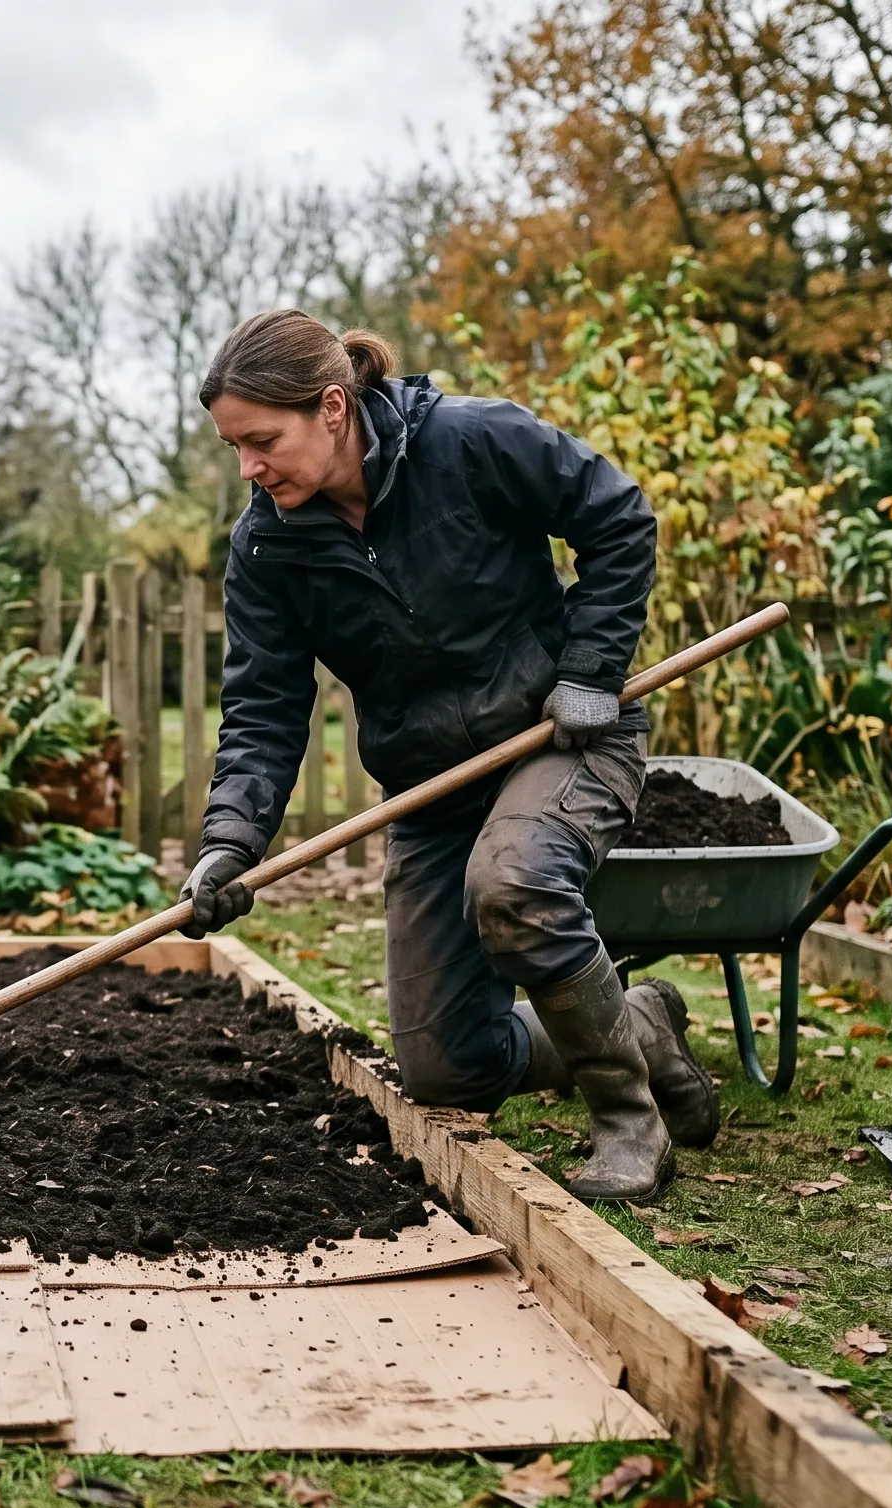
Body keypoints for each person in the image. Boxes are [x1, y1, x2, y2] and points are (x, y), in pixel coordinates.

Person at [175, 309, 715, 1201]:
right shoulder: (268, 545)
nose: (249, 468)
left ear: (335, 407)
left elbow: (618, 519)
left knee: (515, 883)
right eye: (235, 447)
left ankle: (628, 1121)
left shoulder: (471, 440)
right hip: (432, 785)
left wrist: (588, 670)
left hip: (562, 734)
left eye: (263, 440)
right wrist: (229, 841)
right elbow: (265, 707)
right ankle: (644, 1027)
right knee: (448, 1070)